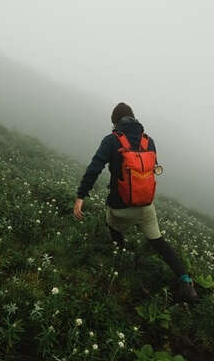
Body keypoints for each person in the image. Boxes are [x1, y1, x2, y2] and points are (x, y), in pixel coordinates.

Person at [73, 102, 198, 303]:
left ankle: (120, 254)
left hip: (120, 207)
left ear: (115, 122)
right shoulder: (149, 141)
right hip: (146, 206)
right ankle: (185, 279)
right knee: (158, 242)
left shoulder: (111, 140)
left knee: (111, 223)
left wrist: (81, 196)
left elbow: (94, 168)